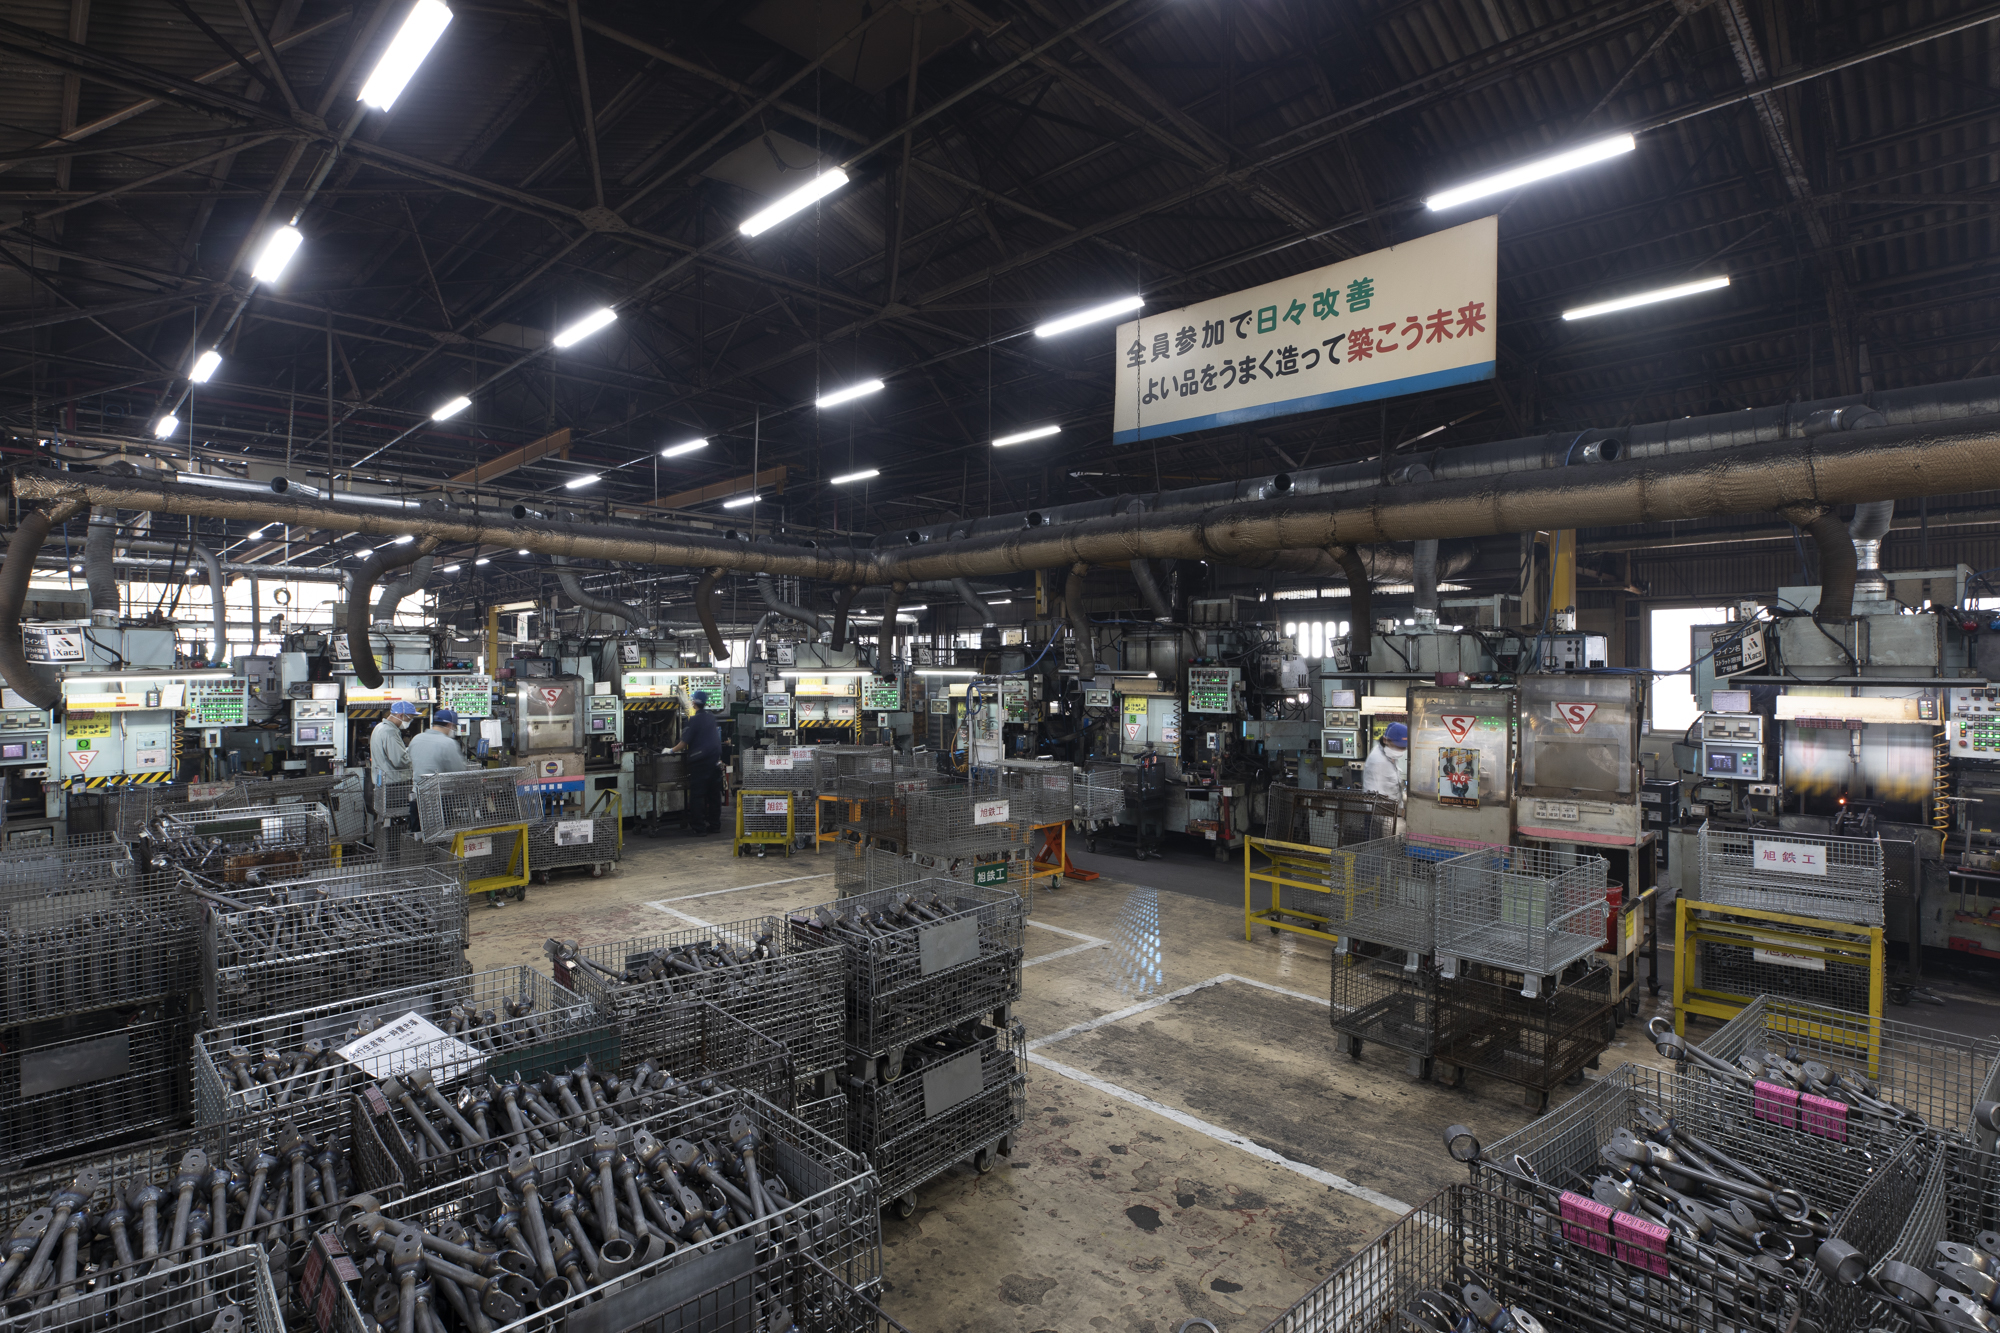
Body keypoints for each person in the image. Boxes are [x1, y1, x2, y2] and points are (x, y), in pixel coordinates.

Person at [671, 690, 724, 836]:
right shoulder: (710, 717)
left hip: (700, 764)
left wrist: (670, 750)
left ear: (693, 702)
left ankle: (699, 828)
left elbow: (684, 743)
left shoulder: (694, 720)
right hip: (714, 762)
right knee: (714, 796)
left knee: (697, 796)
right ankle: (715, 825)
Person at [407, 706, 468, 832]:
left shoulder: (416, 739)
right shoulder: (448, 743)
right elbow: (458, 771)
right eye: (454, 727)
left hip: (417, 797)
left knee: (418, 835)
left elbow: (410, 761)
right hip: (440, 799)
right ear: (450, 725)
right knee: (439, 836)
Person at [369, 701, 416, 833]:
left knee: (388, 820)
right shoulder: (390, 731)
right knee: (403, 817)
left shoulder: (379, 727)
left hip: (383, 784)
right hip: (394, 786)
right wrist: (413, 758)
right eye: (410, 718)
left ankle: (390, 839)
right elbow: (399, 761)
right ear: (401, 715)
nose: (410, 721)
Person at [1362, 721, 1409, 815]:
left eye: (1403, 748)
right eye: (1398, 746)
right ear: (1385, 740)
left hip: (1391, 812)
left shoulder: (1389, 754)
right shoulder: (1378, 761)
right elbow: (1375, 799)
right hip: (1380, 816)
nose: (1401, 751)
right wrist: (1393, 817)